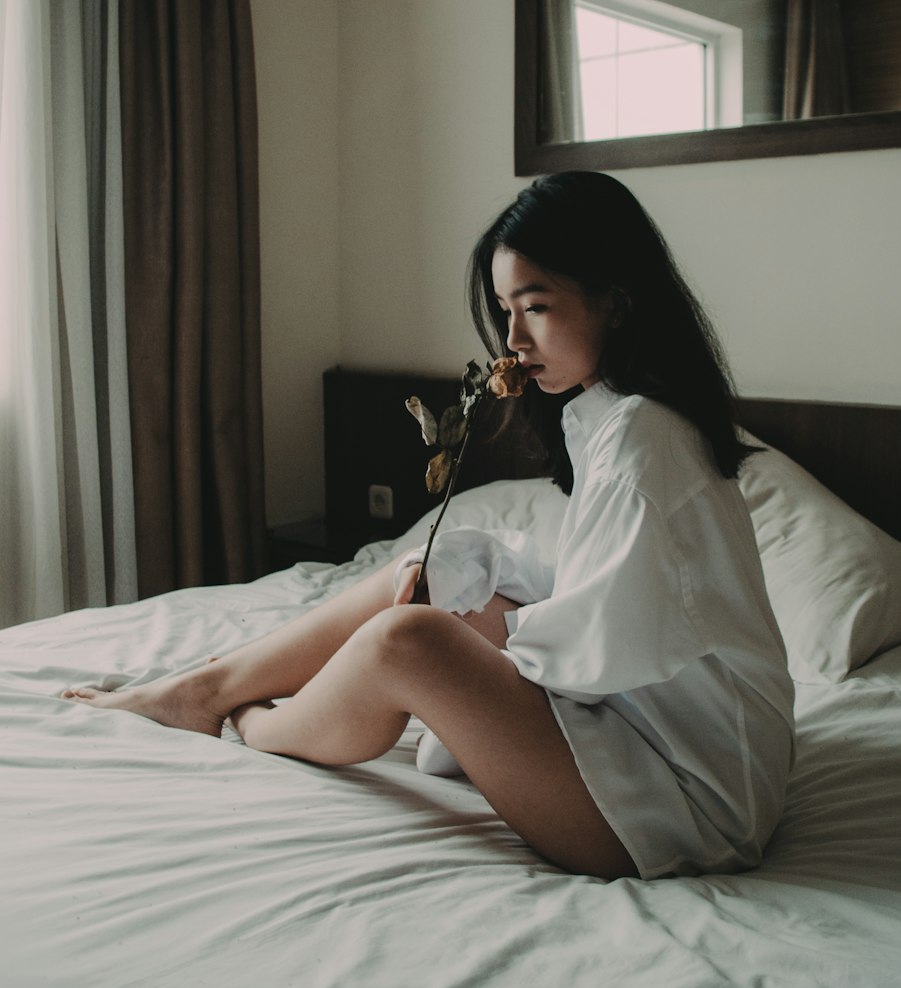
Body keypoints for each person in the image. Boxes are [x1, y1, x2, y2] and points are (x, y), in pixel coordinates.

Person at [63, 171, 793, 881]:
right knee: (441, 563)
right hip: (652, 734)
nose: (511, 338)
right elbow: (605, 588)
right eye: (506, 309)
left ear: (617, 303)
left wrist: (464, 633)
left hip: (685, 804)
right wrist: (468, 580)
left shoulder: (643, 441)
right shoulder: (616, 419)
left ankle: (253, 721)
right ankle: (205, 688)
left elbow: (604, 639)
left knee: (406, 639)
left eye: (534, 307)